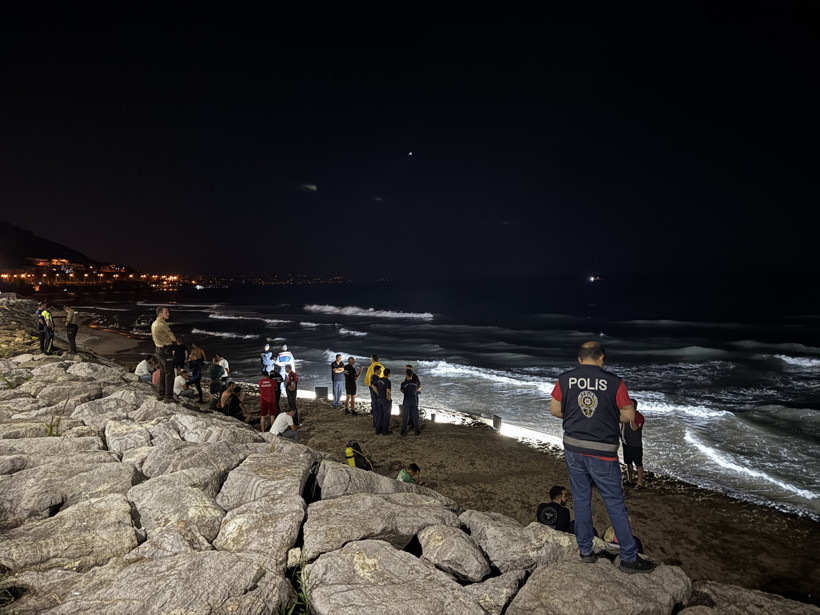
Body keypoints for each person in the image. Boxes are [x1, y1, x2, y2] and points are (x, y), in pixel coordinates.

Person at [550, 341, 656, 574]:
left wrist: (582, 415)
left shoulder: (565, 379)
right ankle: (629, 558)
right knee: (615, 505)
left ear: (579, 359)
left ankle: (586, 551)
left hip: (573, 448)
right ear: (601, 358)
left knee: (581, 500)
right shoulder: (614, 382)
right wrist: (604, 416)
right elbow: (629, 415)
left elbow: (555, 410)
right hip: (603, 453)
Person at [151, 306, 179, 402]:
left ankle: (161, 394)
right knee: (170, 374)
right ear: (160, 314)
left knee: (163, 372)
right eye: (166, 312)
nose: (168, 314)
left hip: (158, 350)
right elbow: (173, 338)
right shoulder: (163, 325)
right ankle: (168, 396)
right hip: (165, 350)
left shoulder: (154, 324)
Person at [622, 398, 646, 490]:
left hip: (635, 444)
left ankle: (640, 482)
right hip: (626, 442)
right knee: (628, 462)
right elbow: (622, 424)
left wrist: (631, 418)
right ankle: (630, 479)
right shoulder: (625, 415)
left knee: (638, 463)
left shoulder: (639, 416)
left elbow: (635, 428)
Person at [363, 355, 384, 427]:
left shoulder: (371, 367)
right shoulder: (382, 367)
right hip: (381, 387)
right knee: (380, 405)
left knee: (375, 404)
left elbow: (368, 380)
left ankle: (376, 422)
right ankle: (380, 422)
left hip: (373, 387)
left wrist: (370, 385)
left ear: (372, 359)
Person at [372, 366, 393, 435]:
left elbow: (373, 385)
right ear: (389, 374)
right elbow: (388, 391)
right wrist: (388, 398)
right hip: (384, 399)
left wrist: (377, 393)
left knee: (381, 414)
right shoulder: (388, 381)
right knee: (387, 415)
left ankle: (378, 429)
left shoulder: (379, 380)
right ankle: (385, 430)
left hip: (379, 398)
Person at [400, 367, 421, 436]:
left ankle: (403, 431)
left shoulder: (403, 383)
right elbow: (418, 388)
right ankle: (417, 430)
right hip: (414, 401)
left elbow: (402, 390)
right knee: (415, 416)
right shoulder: (415, 382)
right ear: (412, 375)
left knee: (405, 417)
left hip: (406, 401)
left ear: (406, 375)